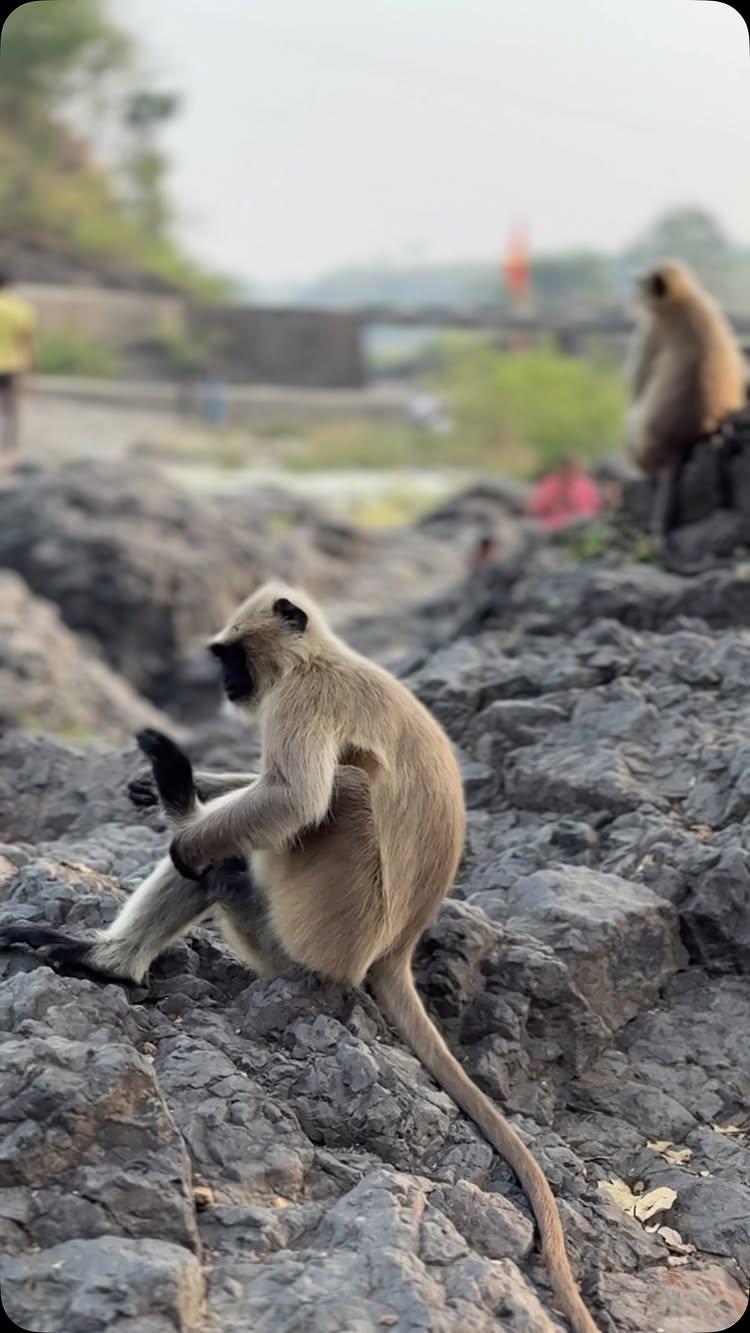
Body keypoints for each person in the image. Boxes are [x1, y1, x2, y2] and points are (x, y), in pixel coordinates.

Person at [0, 271, 36, 462]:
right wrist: (30, 373)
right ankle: (8, 452)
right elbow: (24, 342)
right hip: (11, 366)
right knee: (11, 411)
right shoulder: (19, 309)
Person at [527, 453, 603, 531]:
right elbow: (534, 509)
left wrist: (571, 498)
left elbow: (591, 512)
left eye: (572, 468)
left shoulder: (587, 486)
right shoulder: (549, 483)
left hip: (575, 527)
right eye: (565, 468)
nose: (569, 471)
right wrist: (553, 497)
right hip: (548, 525)